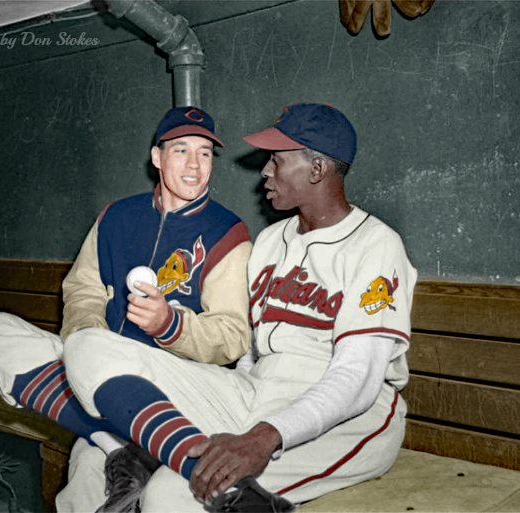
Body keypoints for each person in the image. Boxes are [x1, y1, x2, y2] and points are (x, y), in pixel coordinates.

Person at [32, 102, 417, 513]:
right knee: (88, 348)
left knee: (170, 495)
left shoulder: (375, 244)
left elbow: (357, 378)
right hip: (260, 395)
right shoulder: (271, 241)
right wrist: (239, 420)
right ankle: (133, 449)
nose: (265, 171)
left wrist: (264, 436)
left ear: (317, 169)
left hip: (351, 415)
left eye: (277, 159)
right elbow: (250, 354)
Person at [0, 106, 253, 512]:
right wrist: (88, 335)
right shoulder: (117, 216)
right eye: (181, 151)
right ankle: (112, 442)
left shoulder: (226, 232)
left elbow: (232, 336)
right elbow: (83, 288)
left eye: (205, 153)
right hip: (100, 377)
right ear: (157, 158)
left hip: (169, 389)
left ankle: (124, 442)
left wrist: (170, 324)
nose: (195, 165)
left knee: (89, 490)